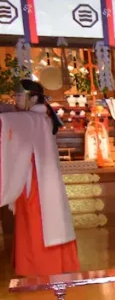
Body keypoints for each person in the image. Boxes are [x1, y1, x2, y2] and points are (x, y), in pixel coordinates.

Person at [0, 80, 79, 277]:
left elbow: (7, 120)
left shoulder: (35, 117)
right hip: (33, 177)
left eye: (19, 95)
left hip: (37, 180)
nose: (16, 99)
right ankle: (34, 265)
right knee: (32, 221)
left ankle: (41, 265)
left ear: (33, 97)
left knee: (38, 222)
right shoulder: (37, 115)